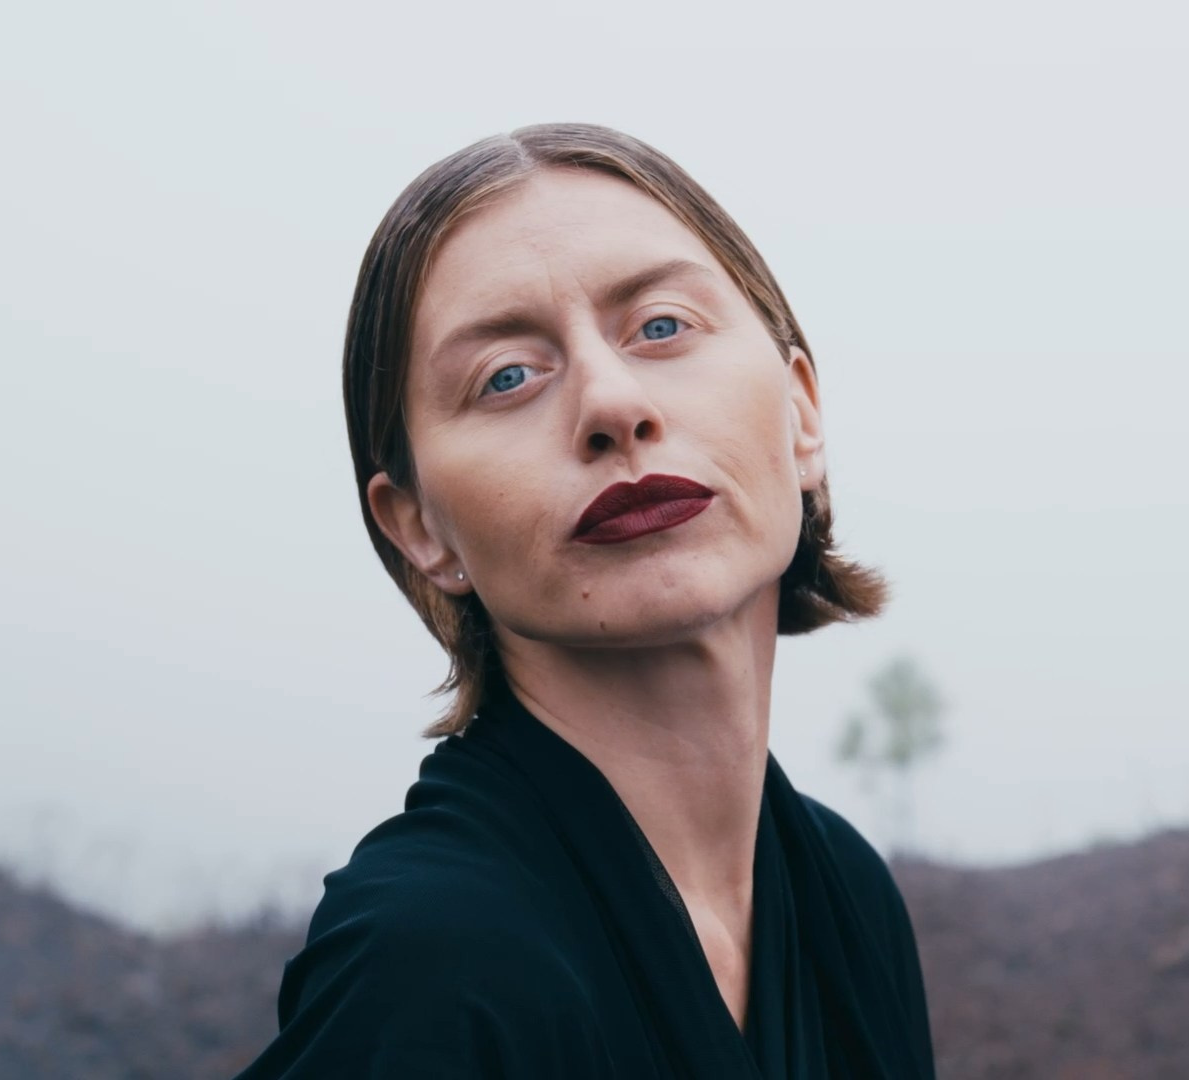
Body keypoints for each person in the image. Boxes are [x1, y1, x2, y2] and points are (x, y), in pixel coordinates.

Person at [234, 122, 936, 1079]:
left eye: (660, 327)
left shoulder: (846, 894)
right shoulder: (430, 967)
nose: (612, 406)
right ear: (419, 529)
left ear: (801, 413)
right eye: (507, 378)